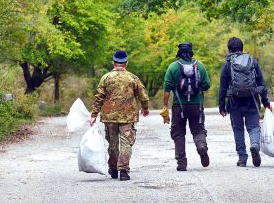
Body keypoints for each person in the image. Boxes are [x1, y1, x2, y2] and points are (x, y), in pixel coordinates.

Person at [90, 50, 150, 181]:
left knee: (112, 143)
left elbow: (99, 97)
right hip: (128, 117)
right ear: (126, 63)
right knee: (126, 142)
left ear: (114, 62)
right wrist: (145, 108)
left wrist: (94, 114)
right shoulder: (133, 78)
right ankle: (123, 170)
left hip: (109, 117)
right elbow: (143, 95)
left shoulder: (105, 78)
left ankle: (113, 168)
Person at [219, 37, 271, 168]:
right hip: (252, 100)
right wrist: (266, 102)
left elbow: (223, 87)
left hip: (234, 102)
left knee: (238, 129)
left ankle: (242, 158)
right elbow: (261, 83)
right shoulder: (252, 62)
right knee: (254, 127)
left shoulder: (227, 64)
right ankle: (254, 145)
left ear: (229, 49)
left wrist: (222, 106)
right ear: (242, 48)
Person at [162, 42, 211, 171]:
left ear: (179, 53)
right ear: (191, 53)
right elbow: (207, 85)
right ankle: (201, 146)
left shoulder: (173, 67)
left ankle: (181, 163)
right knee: (198, 130)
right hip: (197, 105)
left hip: (179, 106)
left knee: (178, 133)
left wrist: (165, 106)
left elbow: (167, 89)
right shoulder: (199, 66)